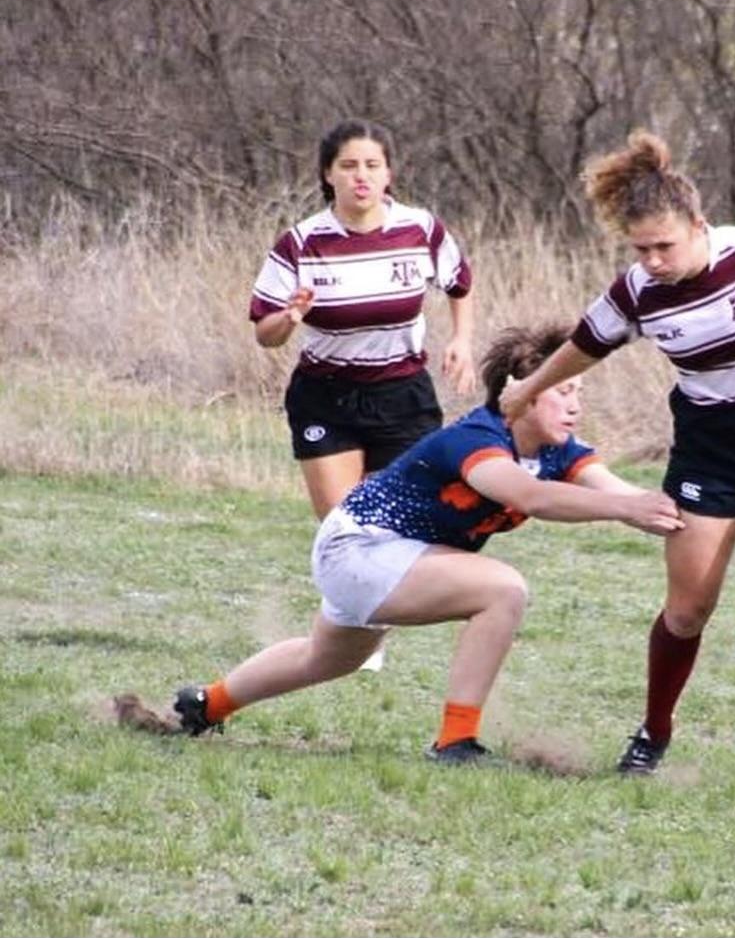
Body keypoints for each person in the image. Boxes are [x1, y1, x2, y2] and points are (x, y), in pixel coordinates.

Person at [499, 130, 735, 774]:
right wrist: (528, 388)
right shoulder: (637, 292)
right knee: (689, 607)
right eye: (641, 249)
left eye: (665, 245)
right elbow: (586, 343)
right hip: (708, 444)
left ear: (700, 225)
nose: (654, 261)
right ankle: (654, 731)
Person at [172, 325, 684, 763]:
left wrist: (676, 513)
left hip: (389, 559)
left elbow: (622, 494)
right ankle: (455, 741)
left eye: (577, 391)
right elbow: (531, 497)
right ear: (521, 391)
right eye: (562, 391)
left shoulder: (557, 451)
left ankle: (206, 704)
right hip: (359, 549)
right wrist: (627, 509)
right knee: (502, 591)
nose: (576, 405)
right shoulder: (479, 438)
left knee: (327, 658)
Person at [251, 118, 477, 521]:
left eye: (372, 166)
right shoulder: (301, 243)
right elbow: (265, 335)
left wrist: (462, 341)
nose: (361, 176)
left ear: (388, 174)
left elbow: (460, 284)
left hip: (402, 395)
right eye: (349, 165)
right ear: (328, 173)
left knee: (399, 524)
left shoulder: (420, 229)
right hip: (327, 397)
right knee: (346, 528)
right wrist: (289, 317)